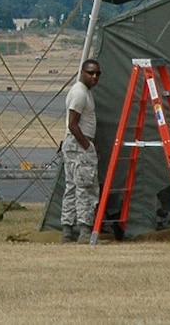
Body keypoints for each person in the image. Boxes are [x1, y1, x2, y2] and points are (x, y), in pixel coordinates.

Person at [59, 58, 103, 242]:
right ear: (82, 73)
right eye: (90, 73)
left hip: (76, 145)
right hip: (78, 146)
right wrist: (87, 146)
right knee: (85, 188)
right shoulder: (79, 93)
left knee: (72, 187)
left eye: (97, 74)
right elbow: (73, 124)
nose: (94, 77)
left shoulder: (84, 92)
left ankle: (67, 231)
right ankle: (84, 231)